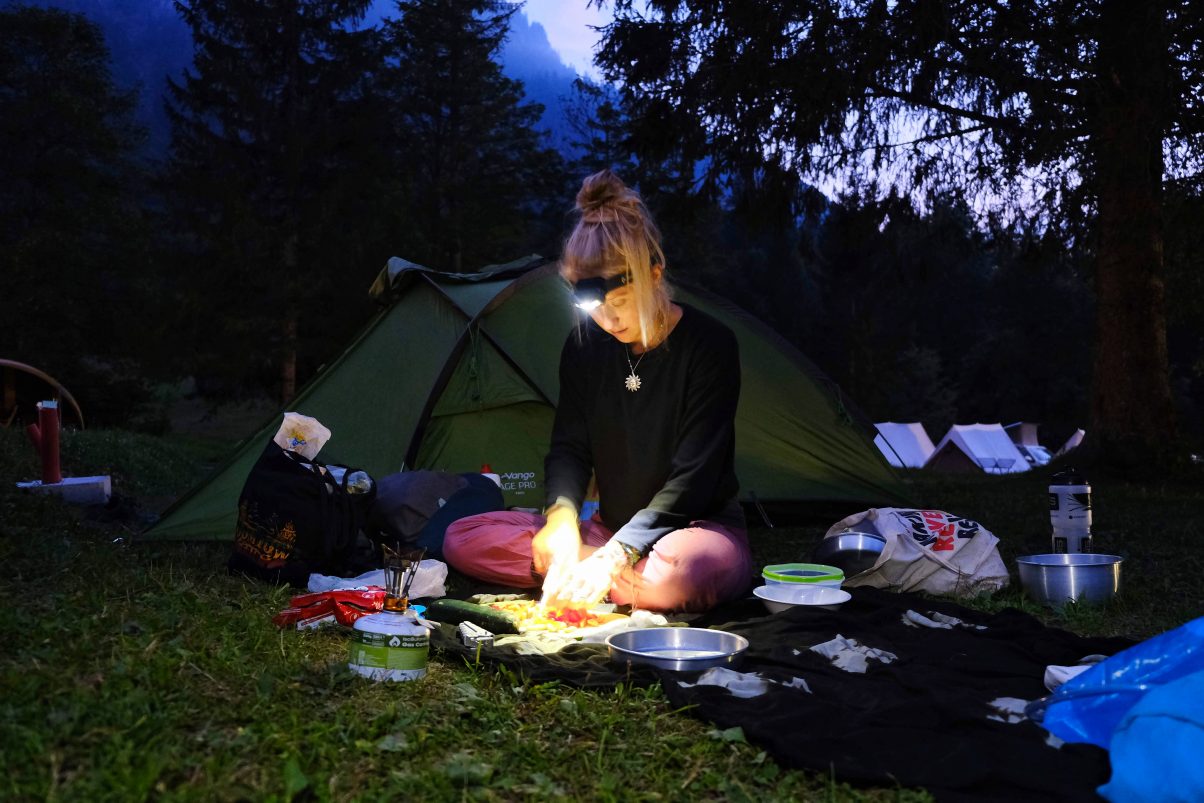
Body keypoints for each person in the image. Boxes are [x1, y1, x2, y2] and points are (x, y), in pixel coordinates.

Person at [442, 170, 752, 612]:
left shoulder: (710, 345)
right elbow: (569, 446)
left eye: (620, 304)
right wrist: (562, 518)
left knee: (683, 571)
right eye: (594, 310)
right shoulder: (585, 346)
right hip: (606, 532)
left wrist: (618, 553)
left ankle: (598, 575)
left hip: (695, 530)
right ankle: (605, 577)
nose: (608, 321)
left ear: (654, 273)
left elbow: (695, 477)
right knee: (462, 537)